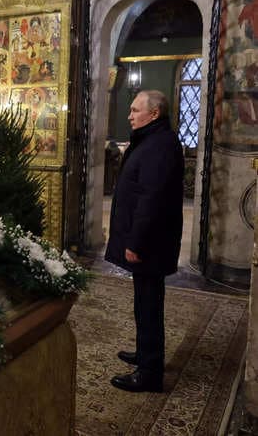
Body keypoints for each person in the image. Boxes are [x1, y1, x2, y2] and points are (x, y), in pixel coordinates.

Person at [105, 90, 184, 393]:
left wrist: (135, 243)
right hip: (150, 241)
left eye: (135, 110)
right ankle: (145, 353)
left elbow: (151, 200)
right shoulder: (152, 140)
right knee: (144, 301)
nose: (130, 115)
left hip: (150, 242)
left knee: (149, 304)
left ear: (154, 114)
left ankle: (149, 372)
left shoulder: (159, 146)